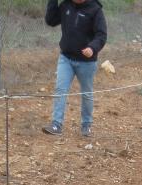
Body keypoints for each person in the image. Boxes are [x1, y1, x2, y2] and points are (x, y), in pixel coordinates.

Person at [42, 0, 107, 138]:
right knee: (60, 89)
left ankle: (86, 125)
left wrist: (92, 47)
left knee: (86, 94)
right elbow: (51, 20)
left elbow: (101, 34)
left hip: (87, 62)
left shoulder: (95, 10)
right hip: (66, 58)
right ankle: (56, 124)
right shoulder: (66, 5)